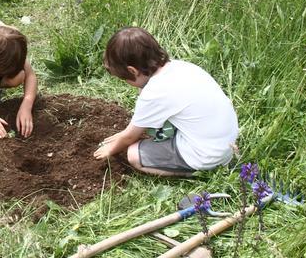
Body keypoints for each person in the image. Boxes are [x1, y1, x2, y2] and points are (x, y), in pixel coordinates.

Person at [94, 27, 237, 176]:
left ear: (132, 71)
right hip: (225, 143)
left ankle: (196, 171)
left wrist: (110, 149)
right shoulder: (181, 67)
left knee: (133, 154)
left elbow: (130, 137)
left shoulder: (154, 92)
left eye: (124, 79)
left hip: (207, 156)